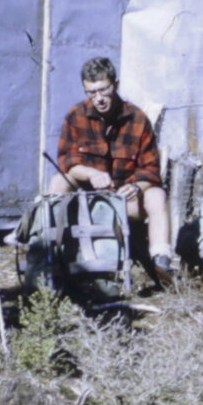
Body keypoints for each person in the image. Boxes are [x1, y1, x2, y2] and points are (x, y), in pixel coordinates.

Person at [49, 56, 174, 278]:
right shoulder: (75, 116)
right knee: (58, 181)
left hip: (123, 202)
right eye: (91, 92)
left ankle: (160, 262)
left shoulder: (138, 119)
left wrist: (137, 187)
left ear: (115, 85)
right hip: (86, 201)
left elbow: (152, 170)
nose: (98, 98)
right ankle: (50, 252)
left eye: (103, 90)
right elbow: (66, 162)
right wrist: (90, 173)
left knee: (156, 194)